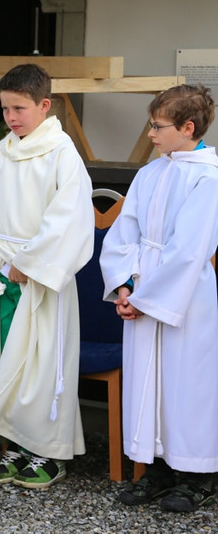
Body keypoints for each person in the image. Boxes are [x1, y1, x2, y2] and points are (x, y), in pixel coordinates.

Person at [0, 63, 93, 489]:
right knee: (1, 360)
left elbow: (68, 219)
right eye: (5, 108)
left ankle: (47, 453)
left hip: (39, 277)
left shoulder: (62, 154)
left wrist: (28, 264)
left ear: (44, 105)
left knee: (40, 366)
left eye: (19, 108)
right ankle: (13, 448)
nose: (11, 117)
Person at [100, 84, 218, 512]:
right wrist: (124, 286)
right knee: (147, 384)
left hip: (184, 298)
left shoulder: (208, 177)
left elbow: (189, 251)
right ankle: (158, 469)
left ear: (188, 128)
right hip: (142, 290)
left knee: (186, 384)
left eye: (157, 126)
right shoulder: (150, 172)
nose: (150, 134)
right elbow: (123, 233)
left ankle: (198, 475)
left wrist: (144, 298)